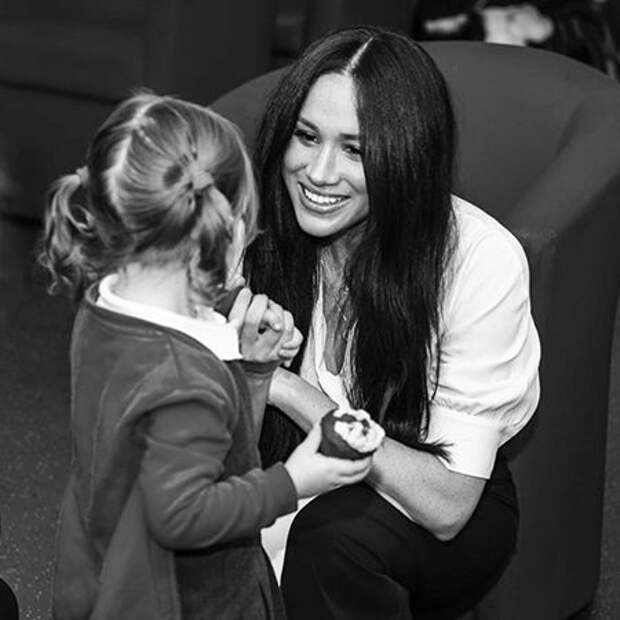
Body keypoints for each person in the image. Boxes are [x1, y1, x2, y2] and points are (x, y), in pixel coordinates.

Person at [40, 92, 372, 620]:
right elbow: (184, 515)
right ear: (230, 230)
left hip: (102, 560)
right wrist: (294, 480)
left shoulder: (102, 304)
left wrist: (248, 364)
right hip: (185, 598)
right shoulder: (184, 377)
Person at [247, 26, 541, 619]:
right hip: (300, 466)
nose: (318, 173)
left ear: (405, 154)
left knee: (331, 539)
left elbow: (447, 506)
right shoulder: (262, 236)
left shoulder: (479, 260)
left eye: (355, 150)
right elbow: (224, 448)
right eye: (307, 136)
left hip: (430, 489)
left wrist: (287, 388)